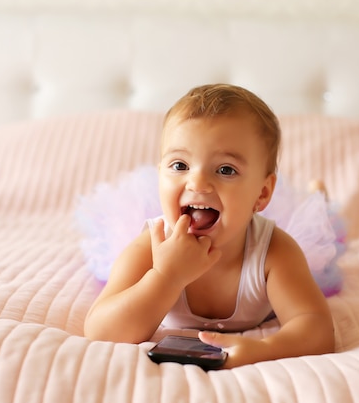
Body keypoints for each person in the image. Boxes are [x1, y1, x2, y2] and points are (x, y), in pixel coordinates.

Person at [84, 84, 335, 368]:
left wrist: (265, 348)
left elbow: (317, 329)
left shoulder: (275, 251)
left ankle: (318, 196)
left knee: (325, 233)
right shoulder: (150, 247)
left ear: (262, 194)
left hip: (268, 228)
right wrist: (165, 276)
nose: (198, 183)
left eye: (226, 169)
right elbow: (99, 330)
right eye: (180, 165)